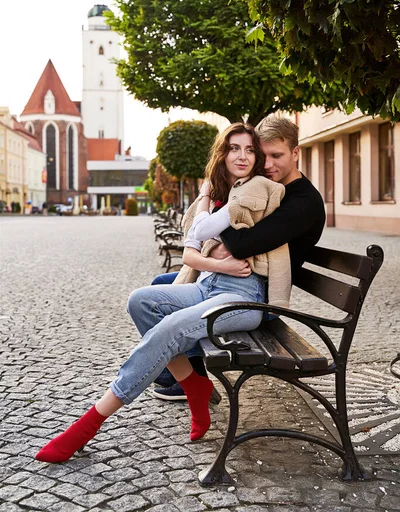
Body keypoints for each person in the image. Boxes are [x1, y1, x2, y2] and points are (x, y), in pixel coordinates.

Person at [36, 122, 290, 464]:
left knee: (169, 329)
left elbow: (200, 230)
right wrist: (213, 248)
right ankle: (194, 386)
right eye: (234, 148)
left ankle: (89, 423)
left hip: (242, 298)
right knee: (141, 301)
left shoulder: (255, 187)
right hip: (210, 285)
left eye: (249, 149)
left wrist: (204, 212)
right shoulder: (223, 191)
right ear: (223, 153)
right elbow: (190, 248)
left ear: (257, 158)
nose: (242, 156)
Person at [150, 115, 326, 400]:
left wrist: (224, 215)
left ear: (296, 153)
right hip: (238, 276)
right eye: (263, 155)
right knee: (161, 283)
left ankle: (181, 377)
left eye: (276, 156)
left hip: (261, 295)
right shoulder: (264, 186)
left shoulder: (302, 203)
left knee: (167, 297)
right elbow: (234, 231)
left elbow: (243, 242)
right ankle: (183, 376)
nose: (267, 165)